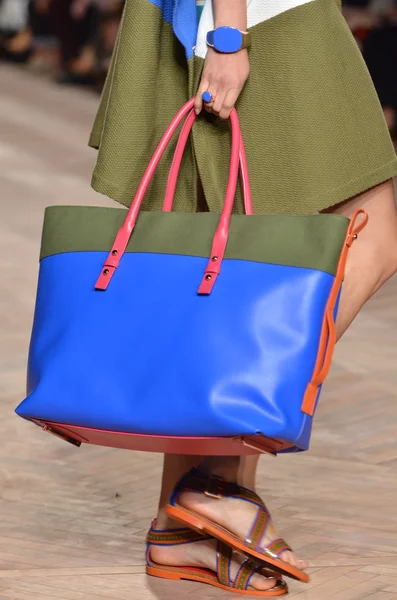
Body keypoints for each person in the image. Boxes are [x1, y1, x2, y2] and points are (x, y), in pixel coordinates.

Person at [89, 0, 397, 594]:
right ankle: (212, 488)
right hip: (263, 16)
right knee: (371, 235)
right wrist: (230, 35)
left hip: (233, 17)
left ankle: (179, 528)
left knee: (242, 263)